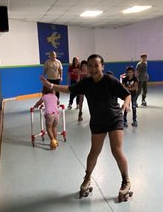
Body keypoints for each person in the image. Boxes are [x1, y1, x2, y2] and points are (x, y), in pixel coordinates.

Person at [40, 54, 132, 201]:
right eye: (90, 66)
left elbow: (126, 95)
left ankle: (126, 181)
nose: (93, 68)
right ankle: (87, 178)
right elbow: (69, 89)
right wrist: (51, 86)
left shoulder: (110, 80)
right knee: (94, 152)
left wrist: (126, 104)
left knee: (116, 150)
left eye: (96, 65)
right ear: (87, 68)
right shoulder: (86, 83)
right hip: (98, 121)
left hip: (114, 119)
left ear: (102, 66)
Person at [33, 85, 60, 150]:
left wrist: (35, 106)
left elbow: (38, 103)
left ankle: (53, 140)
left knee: (49, 128)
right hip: (56, 114)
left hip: (49, 114)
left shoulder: (44, 97)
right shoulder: (55, 96)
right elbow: (58, 103)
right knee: (54, 127)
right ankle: (56, 140)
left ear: (44, 90)